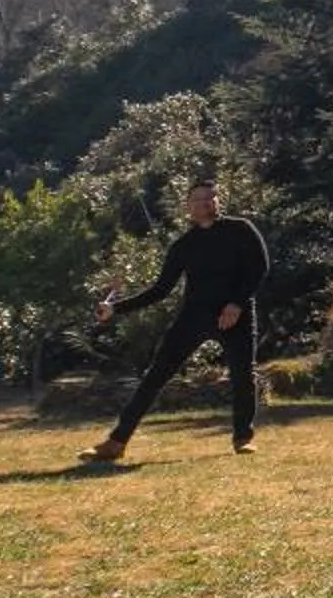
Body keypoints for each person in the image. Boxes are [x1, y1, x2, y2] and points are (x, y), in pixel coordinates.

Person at [79, 180, 271, 462]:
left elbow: (260, 267)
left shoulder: (240, 229)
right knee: (154, 377)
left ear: (218, 201)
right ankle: (116, 443)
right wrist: (115, 308)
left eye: (211, 197)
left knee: (243, 376)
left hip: (236, 315)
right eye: (199, 199)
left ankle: (243, 438)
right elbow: (160, 290)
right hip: (193, 316)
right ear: (188, 207)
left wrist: (237, 303)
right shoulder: (183, 246)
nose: (206, 202)